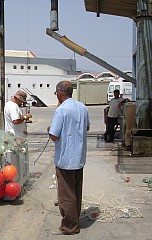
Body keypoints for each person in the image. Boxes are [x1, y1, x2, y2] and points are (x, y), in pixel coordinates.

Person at [47, 81, 90, 235]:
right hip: (79, 157)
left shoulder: (61, 110)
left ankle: (70, 226)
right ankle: (75, 219)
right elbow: (87, 127)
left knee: (67, 194)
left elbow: (53, 136)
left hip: (65, 159)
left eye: (56, 93)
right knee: (76, 191)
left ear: (60, 92)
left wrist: (50, 130)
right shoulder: (82, 107)